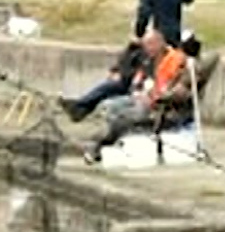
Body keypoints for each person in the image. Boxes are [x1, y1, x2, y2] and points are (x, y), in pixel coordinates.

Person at [80, 32, 209, 163]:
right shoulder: (170, 61)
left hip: (166, 113)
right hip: (152, 102)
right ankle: (101, 144)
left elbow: (180, 93)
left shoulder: (191, 69)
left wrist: (159, 97)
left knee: (121, 119)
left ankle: (99, 146)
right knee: (112, 109)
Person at [62, 35, 158, 122]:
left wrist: (124, 75)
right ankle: (81, 109)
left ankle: (80, 106)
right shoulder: (135, 48)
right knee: (107, 87)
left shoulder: (155, 55)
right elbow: (124, 60)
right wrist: (116, 70)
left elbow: (146, 73)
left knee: (109, 87)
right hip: (127, 79)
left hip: (134, 85)